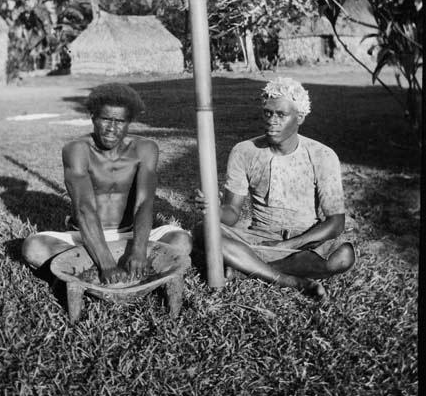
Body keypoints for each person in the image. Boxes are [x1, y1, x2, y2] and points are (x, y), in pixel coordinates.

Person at [193, 77, 355, 301]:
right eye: (268, 113)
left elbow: (336, 223)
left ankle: (244, 268)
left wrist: (287, 244)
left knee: (343, 256)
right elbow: (231, 214)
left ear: (300, 117)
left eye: (281, 115)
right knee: (204, 231)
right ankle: (289, 280)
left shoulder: (322, 155)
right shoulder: (244, 151)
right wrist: (215, 209)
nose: (272, 121)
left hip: (304, 241)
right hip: (258, 238)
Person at [22, 83, 192, 284]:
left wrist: (138, 250)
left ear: (129, 122)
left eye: (120, 121)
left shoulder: (145, 149)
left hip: (130, 233)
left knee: (181, 241)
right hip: (86, 237)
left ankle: (84, 270)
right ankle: (122, 270)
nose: (112, 128)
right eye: (106, 119)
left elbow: (144, 203)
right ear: (93, 116)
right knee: (34, 247)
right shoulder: (77, 150)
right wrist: (106, 263)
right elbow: (84, 208)